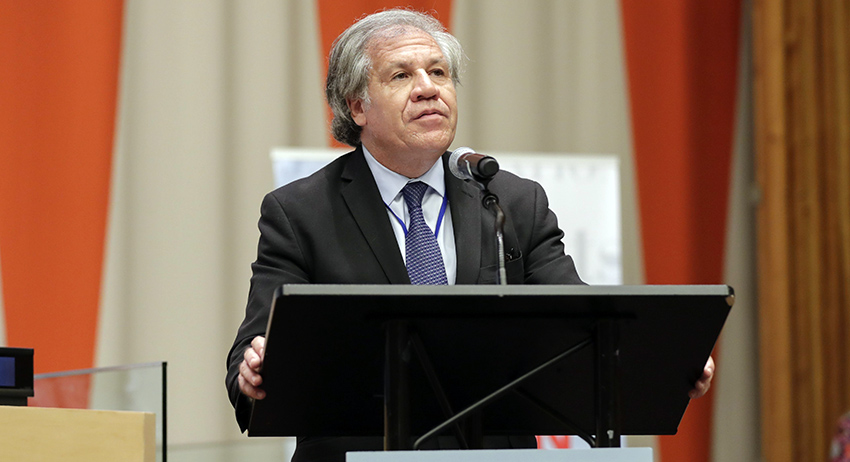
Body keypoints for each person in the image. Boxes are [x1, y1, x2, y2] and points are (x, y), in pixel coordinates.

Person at [226, 8, 714, 462]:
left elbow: (581, 323)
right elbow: (252, 352)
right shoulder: (302, 212)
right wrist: (255, 367)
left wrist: (658, 362)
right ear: (358, 107)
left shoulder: (510, 202)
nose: (428, 88)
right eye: (401, 76)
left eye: (438, 72)